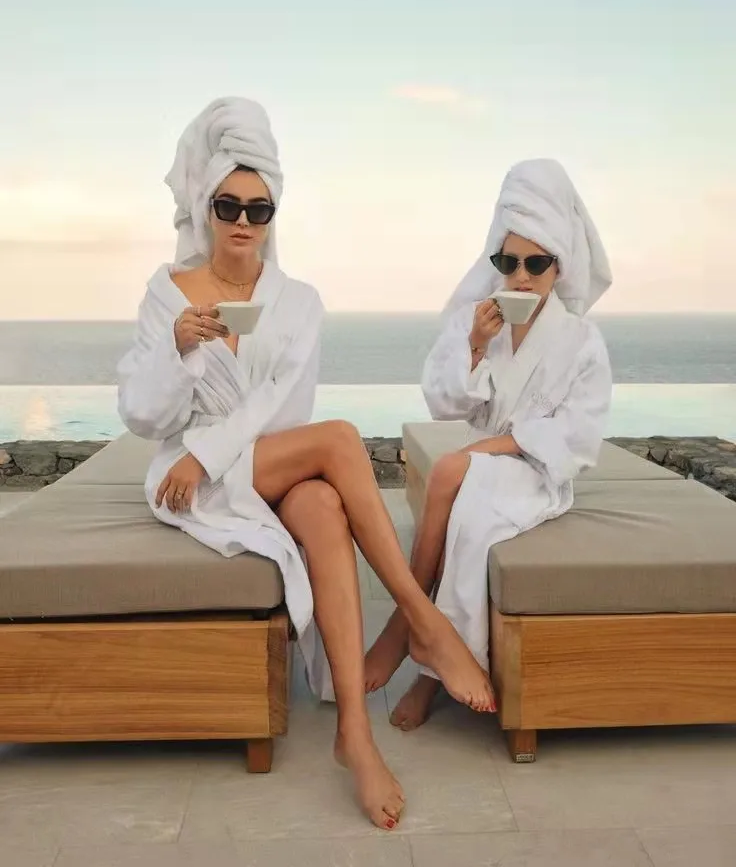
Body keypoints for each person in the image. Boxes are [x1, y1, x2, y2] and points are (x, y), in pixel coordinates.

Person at [117, 97, 494, 830]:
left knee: (322, 505)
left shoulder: (299, 303)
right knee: (342, 438)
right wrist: (177, 350)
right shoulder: (167, 294)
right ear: (207, 206)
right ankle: (422, 621)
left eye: (259, 209)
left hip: (257, 462)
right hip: (188, 478)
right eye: (229, 205)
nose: (243, 221)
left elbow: (278, 407)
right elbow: (140, 414)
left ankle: (355, 732)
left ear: (273, 216)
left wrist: (211, 453)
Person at [364, 158, 614, 730]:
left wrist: (490, 449)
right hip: (476, 462)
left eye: (536, 263)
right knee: (458, 484)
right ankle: (426, 641)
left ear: (559, 265)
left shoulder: (581, 341)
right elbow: (444, 403)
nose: (521, 277)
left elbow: (577, 438)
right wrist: (475, 346)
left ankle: (416, 647)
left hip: (536, 474)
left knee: (460, 490)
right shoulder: (480, 321)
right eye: (508, 262)